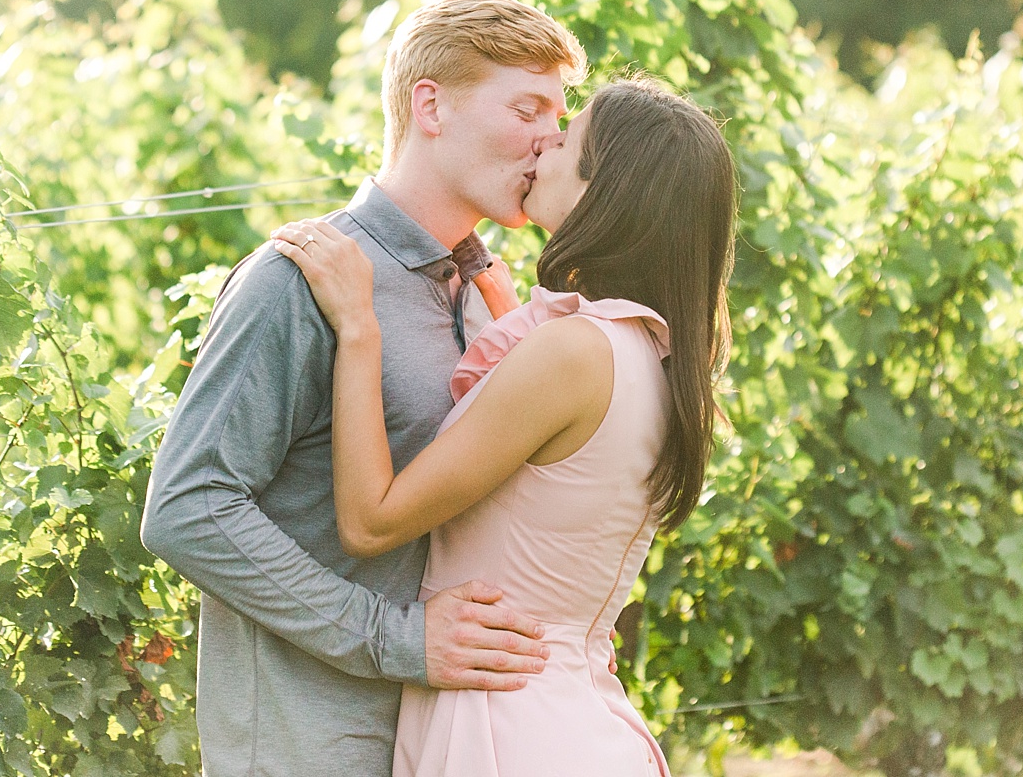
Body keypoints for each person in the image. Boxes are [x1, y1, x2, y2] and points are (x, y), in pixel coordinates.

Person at [140, 0, 588, 777]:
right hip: (303, 747)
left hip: (445, 742)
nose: (549, 140)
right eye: (528, 108)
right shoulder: (300, 279)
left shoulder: (485, 299)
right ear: (431, 106)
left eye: (560, 116)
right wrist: (396, 638)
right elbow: (188, 506)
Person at [272, 78, 737, 777]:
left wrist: (359, 325)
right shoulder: (654, 355)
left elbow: (371, 520)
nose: (543, 142)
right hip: (567, 715)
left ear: (604, 191)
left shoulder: (573, 354)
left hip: (504, 723)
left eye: (566, 137)